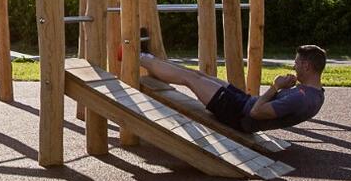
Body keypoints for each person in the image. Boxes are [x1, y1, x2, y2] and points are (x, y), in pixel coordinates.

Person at [138, 45, 327, 133]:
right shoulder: (316, 94)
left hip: (238, 114)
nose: (294, 67)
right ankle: (148, 58)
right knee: (199, 75)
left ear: (307, 67)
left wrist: (275, 86)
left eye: (296, 63)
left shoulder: (301, 98)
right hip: (243, 102)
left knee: (189, 78)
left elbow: (256, 112)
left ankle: (138, 57)